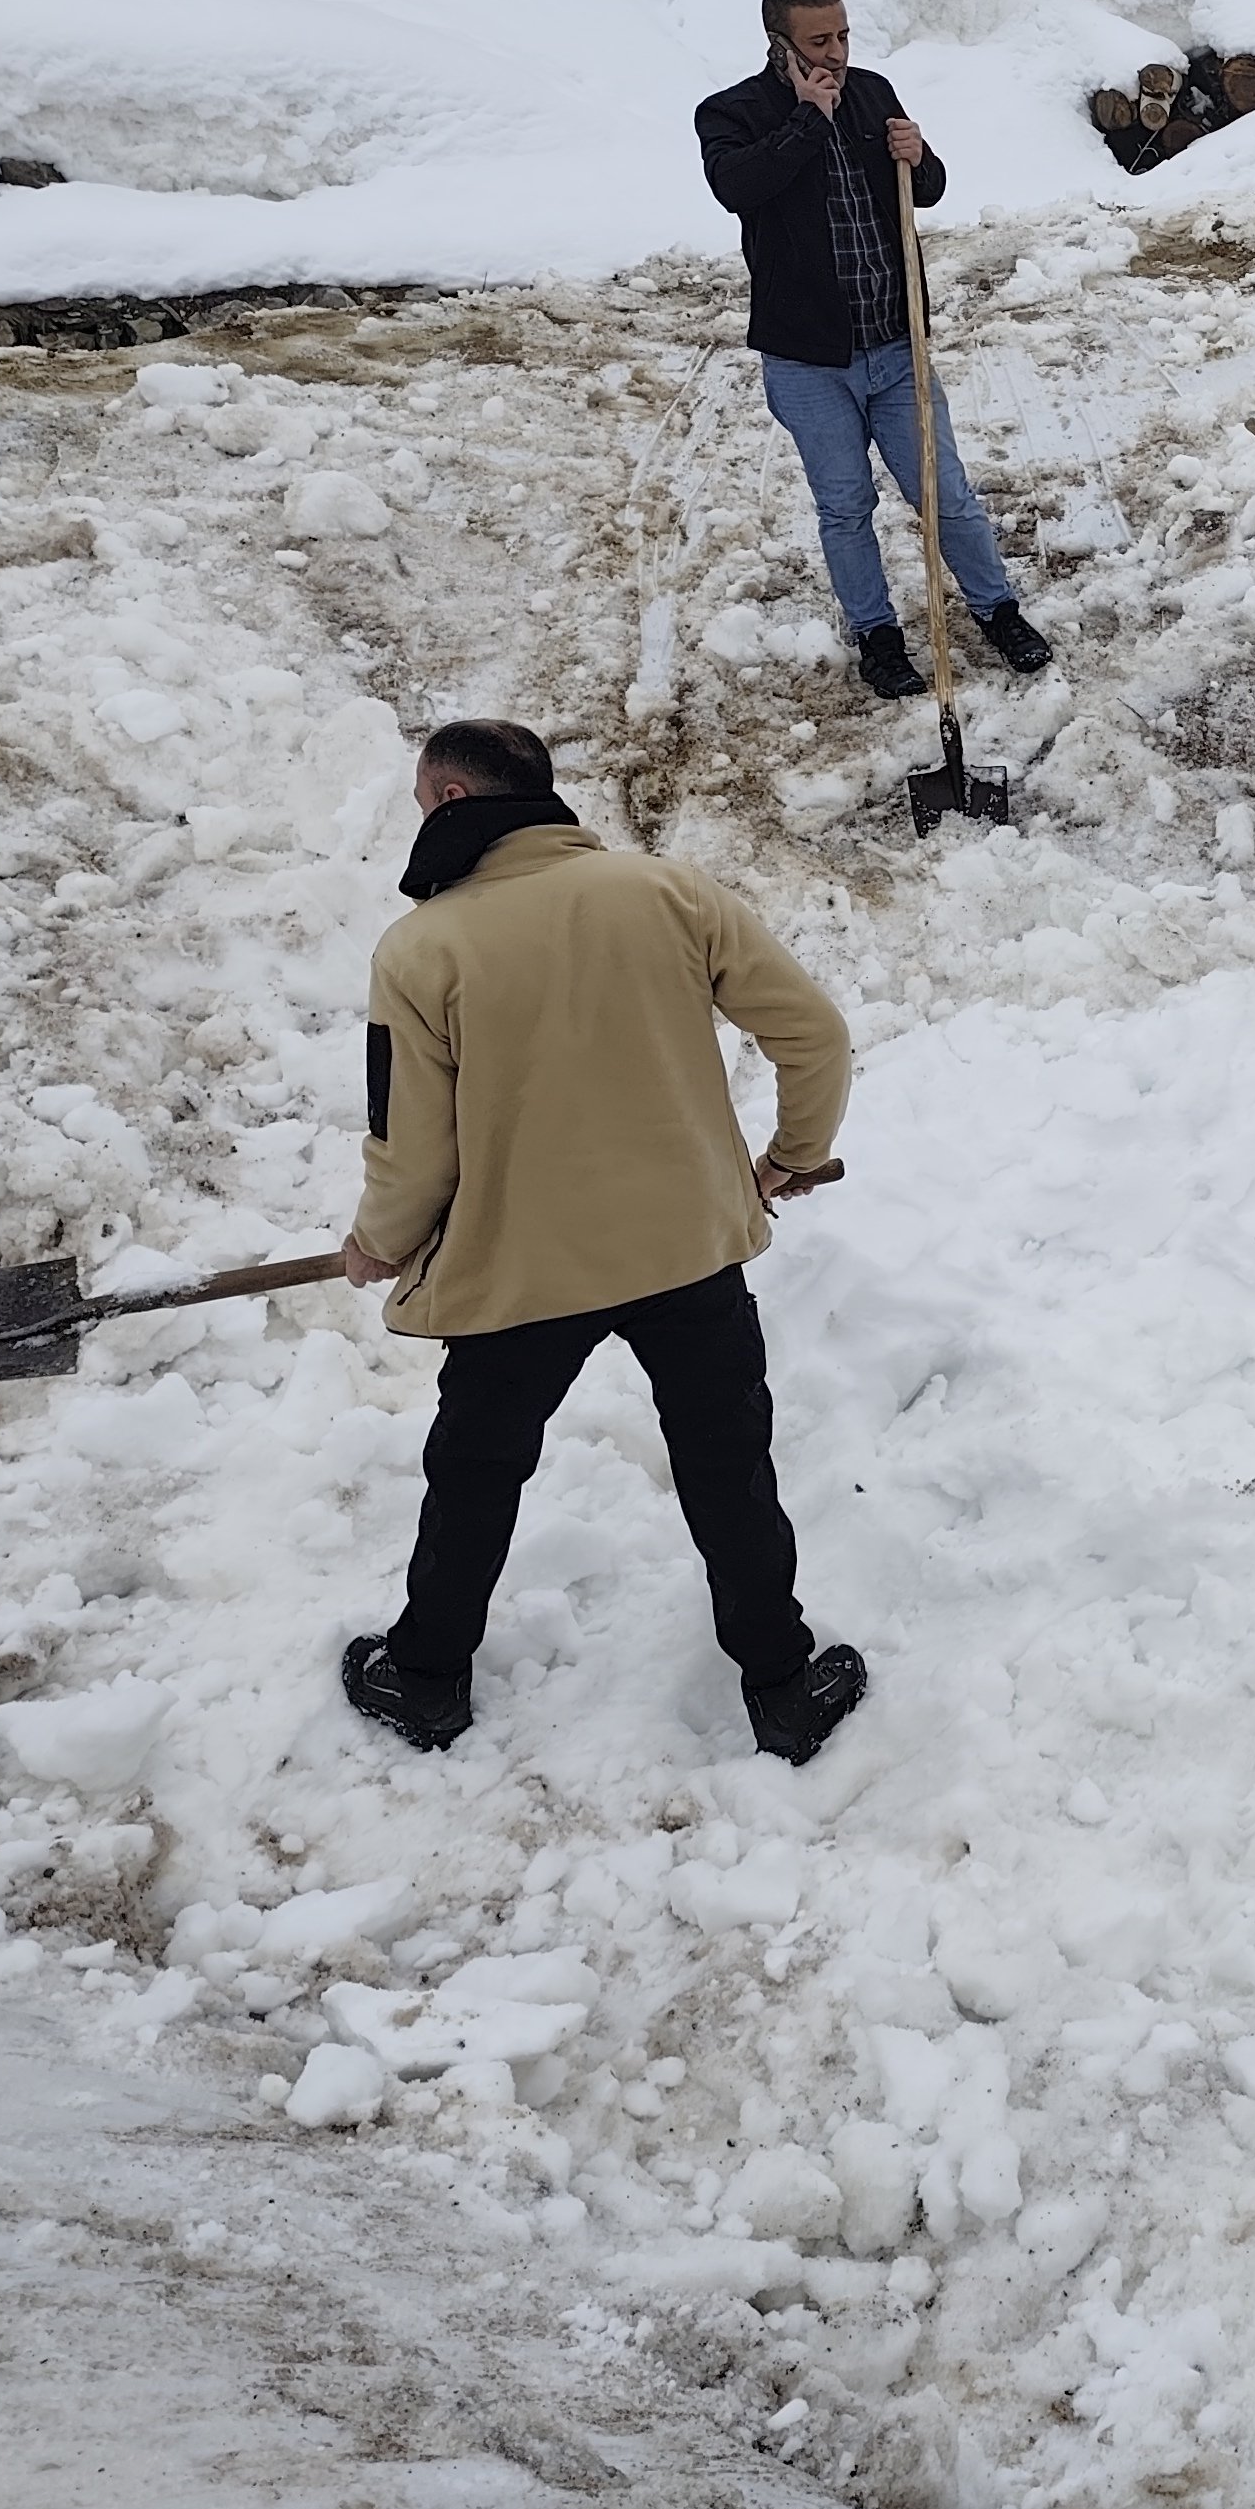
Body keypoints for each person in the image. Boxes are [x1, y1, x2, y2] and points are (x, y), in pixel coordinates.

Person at [335, 718, 871, 1764]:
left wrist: (380, 1240)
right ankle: (783, 1688)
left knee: (476, 1474)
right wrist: (791, 1157)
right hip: (687, 1253)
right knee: (730, 1469)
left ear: (450, 802)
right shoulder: (670, 894)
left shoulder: (422, 948)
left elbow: (413, 1145)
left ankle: (427, 1679)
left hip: (524, 1270)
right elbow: (815, 1034)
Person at [696, 0, 1052, 704]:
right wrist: (804, 116)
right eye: (819, 42)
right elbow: (739, 189)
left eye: (844, 35)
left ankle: (998, 610)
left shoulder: (873, 92)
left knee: (944, 494)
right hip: (808, 361)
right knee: (845, 504)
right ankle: (878, 636)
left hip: (897, 346)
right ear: (780, 46)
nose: (837, 53)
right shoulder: (732, 113)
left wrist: (919, 156)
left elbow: (928, 189)